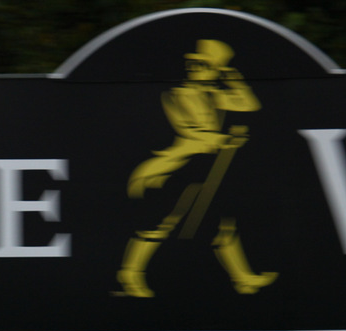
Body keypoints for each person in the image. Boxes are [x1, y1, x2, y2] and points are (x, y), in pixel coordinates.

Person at [117, 39, 276, 297]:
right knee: (160, 224)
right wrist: (224, 140)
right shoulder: (177, 93)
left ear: (215, 71)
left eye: (203, 64)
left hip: (202, 172)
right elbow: (192, 133)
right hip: (171, 170)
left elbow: (250, 104)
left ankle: (243, 279)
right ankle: (130, 273)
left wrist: (232, 77)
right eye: (192, 63)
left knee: (222, 226)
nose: (194, 67)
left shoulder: (214, 95)